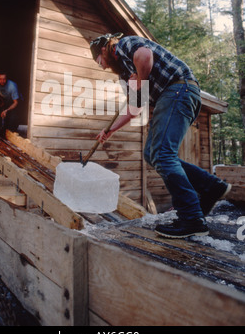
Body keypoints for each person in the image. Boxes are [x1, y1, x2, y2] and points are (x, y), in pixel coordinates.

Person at [90, 33, 231, 238]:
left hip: (178, 89)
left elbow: (145, 56)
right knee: (151, 153)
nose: (102, 66)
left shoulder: (123, 45)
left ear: (104, 50)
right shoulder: (124, 73)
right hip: (172, 96)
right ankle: (212, 187)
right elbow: (135, 108)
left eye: (99, 61)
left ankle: (192, 218)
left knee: (163, 154)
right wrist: (110, 130)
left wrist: (140, 82)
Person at [0, 71, 20, 135]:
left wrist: (7, 110)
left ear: (6, 79)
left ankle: (10, 133)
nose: (2, 81)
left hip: (15, 101)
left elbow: (16, 102)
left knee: (13, 118)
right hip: (6, 100)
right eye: (0, 79)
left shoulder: (12, 86)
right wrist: (2, 101)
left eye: (4, 79)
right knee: (0, 114)